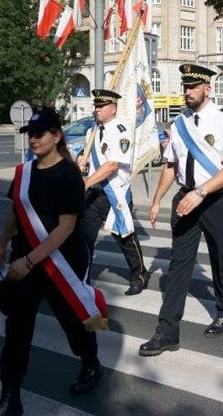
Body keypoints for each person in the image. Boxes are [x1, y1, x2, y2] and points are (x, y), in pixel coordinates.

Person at [0, 108, 104, 415]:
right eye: (30, 134)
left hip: (61, 262)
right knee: (17, 330)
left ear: (57, 136)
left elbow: (65, 227)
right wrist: (2, 245)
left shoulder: (68, 174)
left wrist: (28, 261)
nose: (33, 140)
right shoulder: (24, 172)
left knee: (72, 322)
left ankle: (90, 362)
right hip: (26, 259)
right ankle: (10, 395)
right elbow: (16, 211)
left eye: (39, 134)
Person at [140, 63, 223, 356]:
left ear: (207, 89)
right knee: (179, 263)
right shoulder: (179, 124)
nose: (187, 92)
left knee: (219, 255)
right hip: (186, 198)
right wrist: (157, 200)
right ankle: (167, 332)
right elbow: (171, 165)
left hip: (215, 199)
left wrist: (202, 192)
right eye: (184, 87)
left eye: (192, 87)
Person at [76, 89, 148, 295]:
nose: (96, 110)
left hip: (114, 193)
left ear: (113, 108)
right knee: (84, 239)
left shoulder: (121, 130)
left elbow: (113, 165)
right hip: (94, 194)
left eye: (101, 106)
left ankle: (139, 275)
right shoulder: (92, 131)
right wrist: (82, 161)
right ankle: (83, 279)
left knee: (124, 236)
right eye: (95, 106)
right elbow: (89, 160)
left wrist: (87, 182)